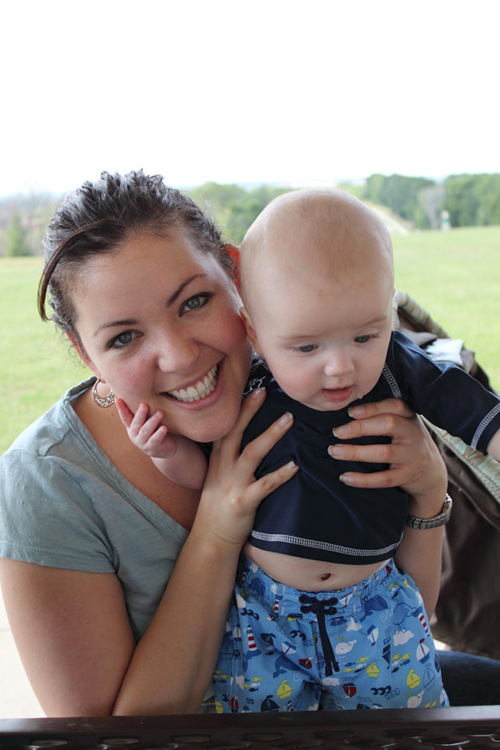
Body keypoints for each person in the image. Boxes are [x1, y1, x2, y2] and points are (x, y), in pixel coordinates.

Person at [0, 171, 472, 717]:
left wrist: (428, 495)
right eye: (124, 337)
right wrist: (217, 532)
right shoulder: (46, 484)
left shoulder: (315, 369)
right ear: (86, 355)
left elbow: (409, 617)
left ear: (237, 274)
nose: (180, 357)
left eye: (194, 301)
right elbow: (112, 739)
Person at [123, 188, 500, 712]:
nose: (340, 367)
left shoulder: (396, 366)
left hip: (376, 608)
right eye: (306, 347)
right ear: (255, 332)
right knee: (260, 733)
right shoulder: (248, 388)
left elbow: (471, 410)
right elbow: (207, 477)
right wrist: (166, 454)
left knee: (410, 727)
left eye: (365, 336)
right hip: (263, 617)